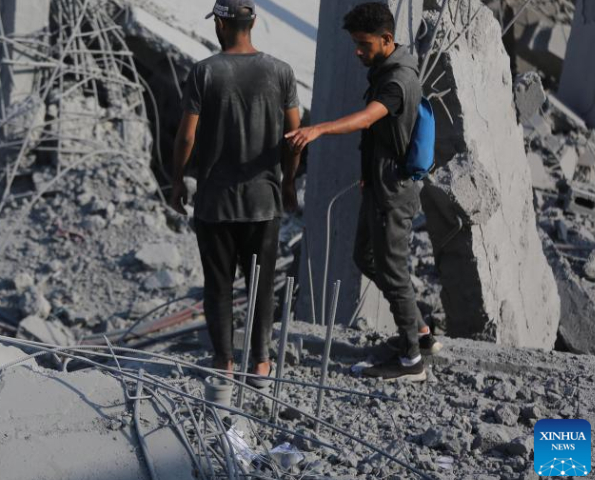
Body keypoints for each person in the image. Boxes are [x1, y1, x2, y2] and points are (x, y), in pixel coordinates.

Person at [286, 2, 440, 382]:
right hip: (380, 184)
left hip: (393, 193)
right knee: (365, 257)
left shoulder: (395, 81)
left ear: (386, 39)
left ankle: (410, 360)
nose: (357, 51)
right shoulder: (389, 66)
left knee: (391, 268)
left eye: (363, 44)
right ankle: (418, 330)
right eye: (355, 43)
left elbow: (369, 117)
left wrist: (318, 130)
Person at [169, 0, 301, 380]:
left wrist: (179, 180)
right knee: (260, 286)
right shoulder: (281, 72)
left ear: (221, 26)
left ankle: (223, 364)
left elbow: (187, 135)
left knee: (219, 285)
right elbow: (295, 138)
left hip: (215, 203)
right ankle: (261, 364)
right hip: (264, 202)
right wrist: (288, 182)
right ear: (253, 22)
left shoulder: (204, 72)